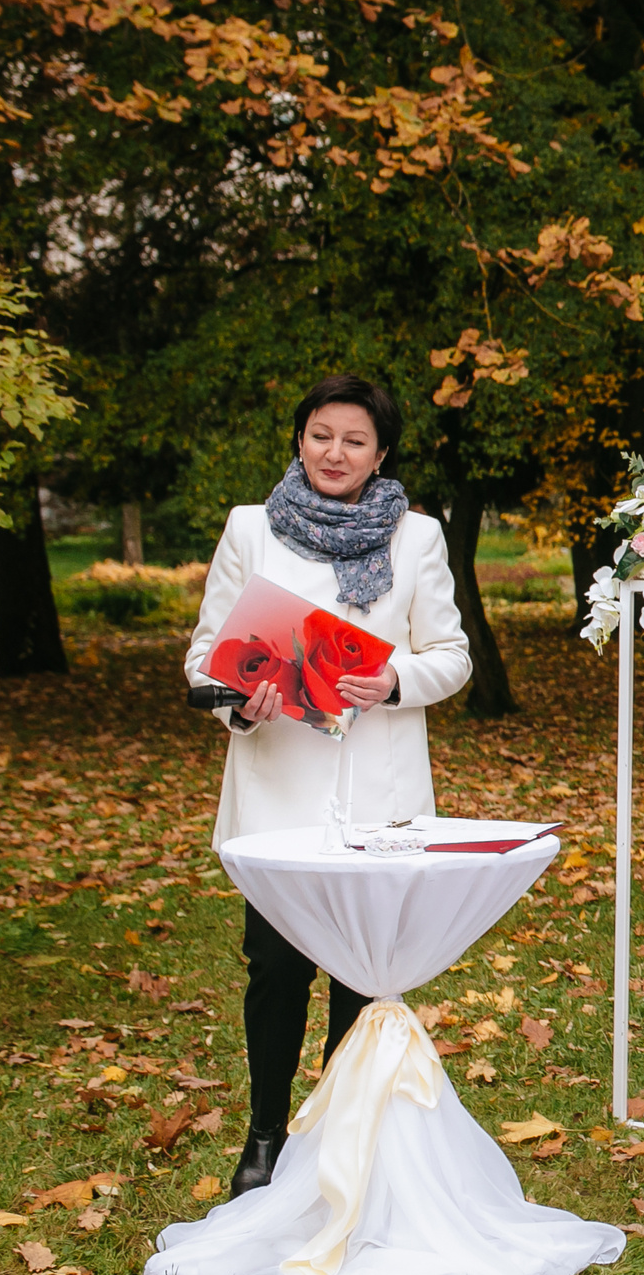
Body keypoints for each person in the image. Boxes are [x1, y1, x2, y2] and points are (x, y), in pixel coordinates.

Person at [183, 375, 473, 1197]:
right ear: (298, 439)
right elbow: (207, 657)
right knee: (275, 969)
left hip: (377, 797)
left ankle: (344, 1141)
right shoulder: (249, 530)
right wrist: (243, 702)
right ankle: (267, 1138)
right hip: (278, 790)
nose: (333, 452)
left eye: (353, 440)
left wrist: (393, 680)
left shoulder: (417, 539)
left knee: (362, 974)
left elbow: (452, 657)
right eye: (320, 435)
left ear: (381, 454)